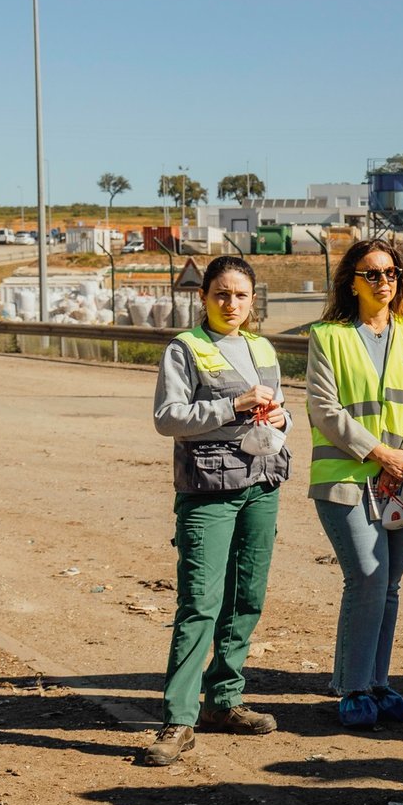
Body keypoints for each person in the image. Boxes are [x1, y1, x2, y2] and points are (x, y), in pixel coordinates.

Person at [143, 256, 289, 766]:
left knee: (246, 597)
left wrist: (277, 415)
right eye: (222, 294)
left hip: (260, 484)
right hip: (208, 489)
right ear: (204, 296)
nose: (232, 304)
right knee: (200, 603)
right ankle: (179, 719)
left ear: (253, 300)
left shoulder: (261, 347)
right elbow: (168, 418)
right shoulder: (187, 348)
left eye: (241, 295)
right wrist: (233, 407)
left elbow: (282, 407)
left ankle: (223, 701)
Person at [307, 239, 403, 727]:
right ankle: (352, 687)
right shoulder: (328, 336)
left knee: (389, 584)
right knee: (366, 575)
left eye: (391, 273)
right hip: (346, 476)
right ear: (351, 281)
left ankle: (378, 682)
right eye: (372, 274)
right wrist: (379, 452)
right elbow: (324, 409)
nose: (383, 282)